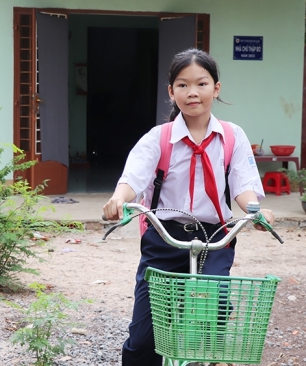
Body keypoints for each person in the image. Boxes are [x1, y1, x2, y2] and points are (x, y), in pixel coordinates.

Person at [102, 48, 275, 366]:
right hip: (164, 239)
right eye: (182, 85)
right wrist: (118, 200)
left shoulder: (233, 137)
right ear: (171, 92)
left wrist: (255, 211)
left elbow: (243, 187)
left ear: (216, 88)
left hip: (216, 239)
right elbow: (133, 179)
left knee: (215, 312)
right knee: (143, 340)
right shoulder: (159, 138)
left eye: (201, 84)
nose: (192, 92)